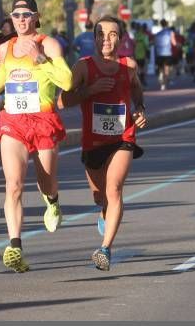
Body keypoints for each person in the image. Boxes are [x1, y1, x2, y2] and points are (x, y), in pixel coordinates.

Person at [0, 0, 73, 273]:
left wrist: (39, 58)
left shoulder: (49, 43)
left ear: (36, 16)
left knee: (46, 182)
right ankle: (15, 246)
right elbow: (4, 75)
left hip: (43, 119)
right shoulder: (5, 47)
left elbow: (66, 81)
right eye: (16, 14)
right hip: (14, 121)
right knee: (14, 185)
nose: (20, 20)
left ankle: (53, 202)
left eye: (26, 14)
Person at [59, 15, 147, 271]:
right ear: (93, 37)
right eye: (100, 34)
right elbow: (62, 102)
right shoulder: (83, 67)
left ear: (120, 38)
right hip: (93, 140)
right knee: (101, 197)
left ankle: (105, 248)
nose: (106, 39)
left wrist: (140, 110)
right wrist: (90, 90)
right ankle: (103, 210)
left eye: (112, 34)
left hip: (123, 137)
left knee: (115, 189)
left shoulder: (128, 65)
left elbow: (137, 91)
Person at [154, 19, 177, 91]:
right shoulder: (170, 32)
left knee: (161, 68)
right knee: (167, 69)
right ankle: (164, 84)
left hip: (159, 53)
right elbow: (174, 43)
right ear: (166, 24)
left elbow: (155, 43)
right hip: (167, 53)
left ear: (161, 24)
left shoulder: (157, 33)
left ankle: (161, 76)